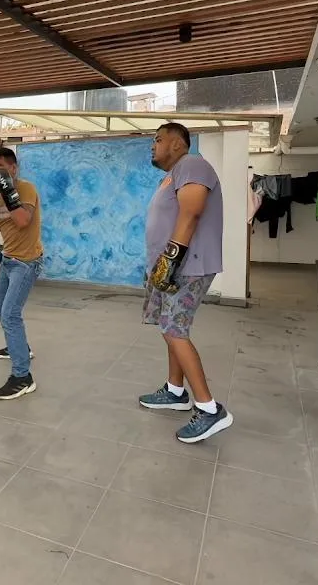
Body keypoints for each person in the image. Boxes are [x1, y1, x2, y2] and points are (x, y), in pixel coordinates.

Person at [137, 122, 234, 444]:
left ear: (177, 144)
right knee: (170, 327)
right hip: (172, 265)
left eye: (158, 139)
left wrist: (169, 261)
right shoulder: (172, 175)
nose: (153, 145)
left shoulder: (192, 164)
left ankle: (209, 409)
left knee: (174, 330)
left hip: (187, 265)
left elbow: (191, 213)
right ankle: (175, 391)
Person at [0, 147, 43, 400]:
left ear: (13, 168)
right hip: (8, 259)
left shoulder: (25, 189)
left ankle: (23, 377)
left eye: (0, 166)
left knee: (11, 314)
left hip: (26, 262)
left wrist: (6, 188)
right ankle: (19, 346)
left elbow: (23, 221)